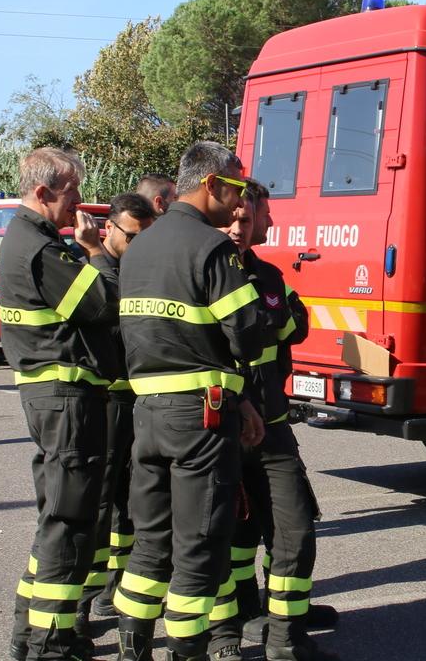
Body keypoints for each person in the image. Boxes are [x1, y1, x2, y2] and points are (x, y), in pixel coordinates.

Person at [112, 141, 266, 661]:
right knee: (199, 545)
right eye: (238, 188)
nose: (242, 202)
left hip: (147, 413)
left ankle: (132, 648)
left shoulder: (141, 247)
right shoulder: (211, 248)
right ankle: (187, 650)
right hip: (199, 419)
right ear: (212, 185)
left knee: (152, 542)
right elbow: (248, 334)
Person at [0, 148, 121, 661]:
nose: (79, 203)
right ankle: (52, 640)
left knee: (57, 514)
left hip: (53, 399)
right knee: (71, 519)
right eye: (72, 192)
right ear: (44, 192)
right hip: (65, 399)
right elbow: (98, 306)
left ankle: (29, 630)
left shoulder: (30, 238)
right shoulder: (41, 248)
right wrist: (95, 253)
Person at [208, 180, 336, 661]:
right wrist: (268, 320)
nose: (241, 228)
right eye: (234, 219)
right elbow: (262, 329)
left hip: (272, 424)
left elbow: (293, 323)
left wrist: (269, 318)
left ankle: (286, 636)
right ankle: (227, 634)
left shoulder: (268, 274)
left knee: (294, 530)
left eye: (248, 219)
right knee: (223, 535)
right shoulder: (207, 269)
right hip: (217, 427)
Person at [78, 193, 158, 630]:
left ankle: (117, 586)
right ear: (108, 228)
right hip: (106, 400)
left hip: (140, 400)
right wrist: (96, 257)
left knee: (131, 503)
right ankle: (84, 600)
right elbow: (108, 304)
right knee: (101, 501)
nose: (139, 244)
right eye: (132, 235)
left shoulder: (138, 263)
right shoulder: (88, 265)